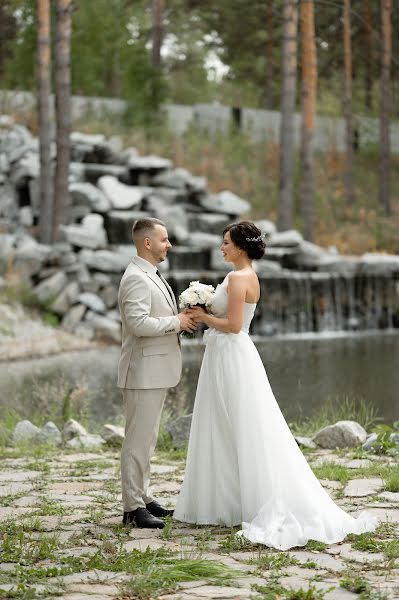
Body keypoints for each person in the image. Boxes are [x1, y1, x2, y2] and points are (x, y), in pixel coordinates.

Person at [173, 221, 377, 550]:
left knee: (243, 425)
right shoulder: (237, 276)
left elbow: (235, 326)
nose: (221, 248)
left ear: (240, 247)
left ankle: (253, 500)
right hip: (222, 355)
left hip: (232, 354)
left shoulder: (241, 278)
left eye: (225, 242)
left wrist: (203, 315)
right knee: (221, 425)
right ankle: (226, 501)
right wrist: (208, 308)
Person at [118, 217, 196, 529]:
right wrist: (177, 322)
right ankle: (132, 508)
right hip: (142, 372)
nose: (169, 245)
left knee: (147, 440)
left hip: (154, 370)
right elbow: (138, 324)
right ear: (147, 243)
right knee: (137, 442)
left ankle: (144, 496)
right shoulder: (136, 277)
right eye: (164, 240)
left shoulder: (150, 273)